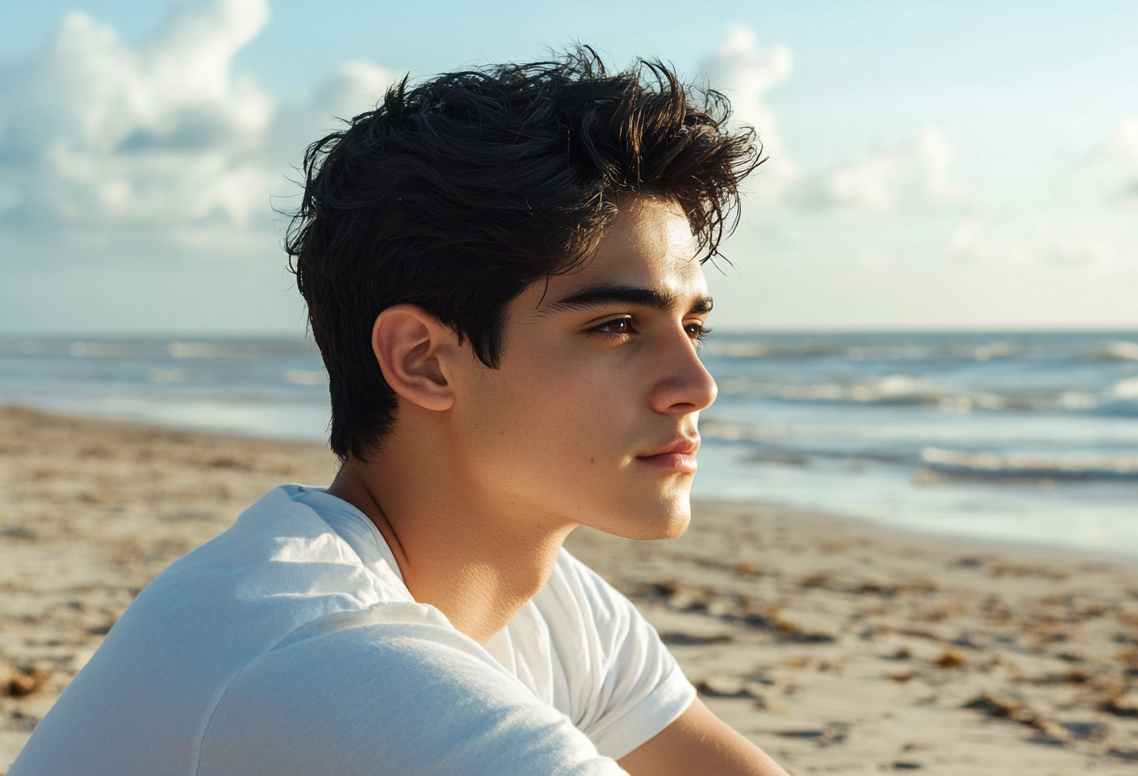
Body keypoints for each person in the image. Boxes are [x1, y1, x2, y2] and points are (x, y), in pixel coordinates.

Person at [12, 50, 788, 775]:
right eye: (615, 326)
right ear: (422, 359)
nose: (696, 384)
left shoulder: (555, 610)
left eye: (692, 327)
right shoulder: (327, 654)